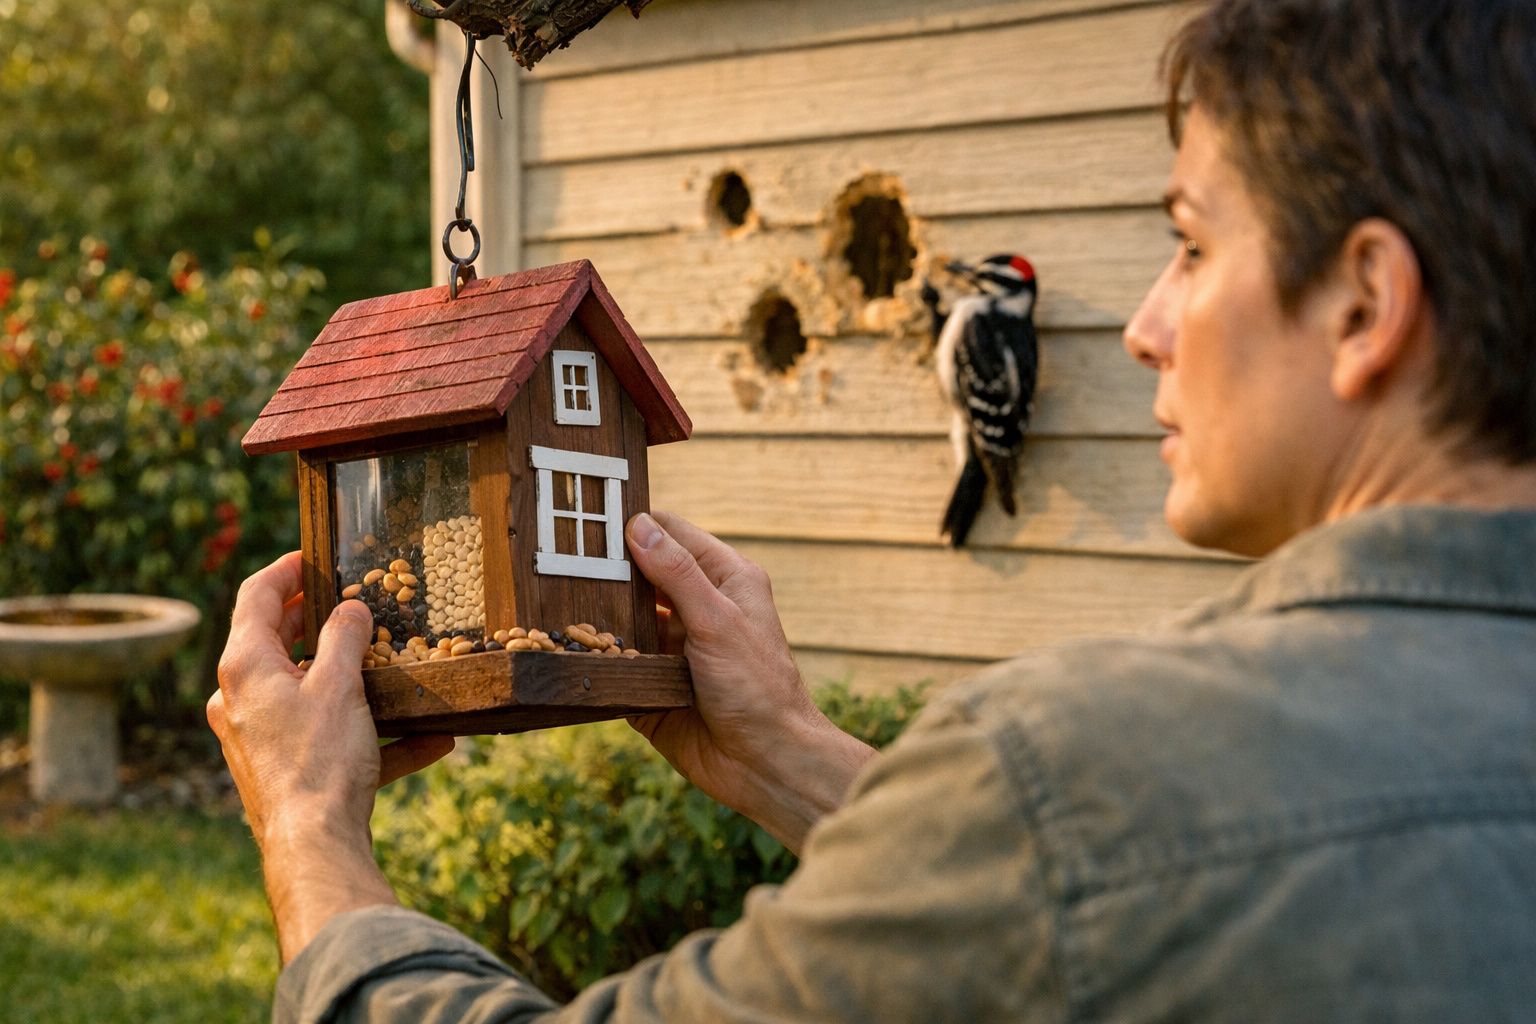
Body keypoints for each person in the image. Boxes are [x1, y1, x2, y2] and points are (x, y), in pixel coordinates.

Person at [209, 0, 1536, 1019]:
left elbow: (1081, 861)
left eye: (1191, 244)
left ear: (1365, 303)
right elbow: (1104, 898)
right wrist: (786, 750)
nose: (1146, 325)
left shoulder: (1081, 770)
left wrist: (313, 833)